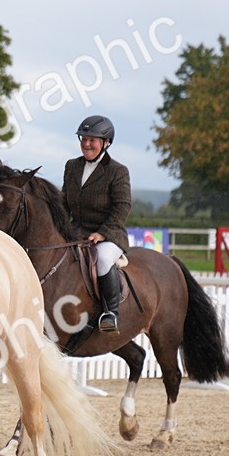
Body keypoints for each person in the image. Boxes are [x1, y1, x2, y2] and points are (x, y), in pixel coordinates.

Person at [62, 115, 131, 333]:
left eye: (92, 140)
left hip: (109, 234)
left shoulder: (117, 171)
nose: (86, 144)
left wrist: (103, 233)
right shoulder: (72, 166)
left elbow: (123, 206)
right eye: (84, 138)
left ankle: (110, 313)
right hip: (77, 232)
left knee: (101, 258)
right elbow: (63, 201)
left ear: (106, 143)